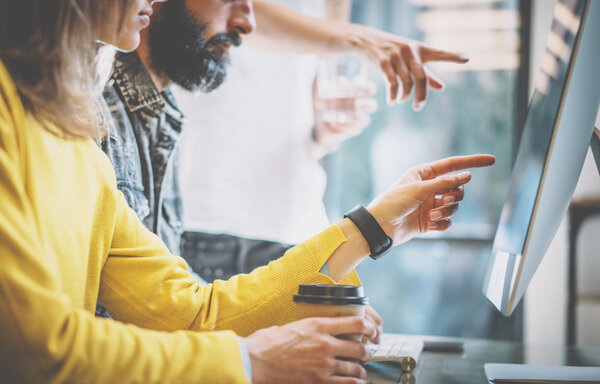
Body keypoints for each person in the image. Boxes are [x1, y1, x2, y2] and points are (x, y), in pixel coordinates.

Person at [0, 0, 495, 382]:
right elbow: (31, 352)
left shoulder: (79, 140)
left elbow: (195, 313)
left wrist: (373, 226)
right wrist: (248, 363)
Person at [101, 0, 470, 285]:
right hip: (206, 211)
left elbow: (311, 95)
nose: (245, 21)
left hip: (293, 217)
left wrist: (324, 130)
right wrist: (363, 40)